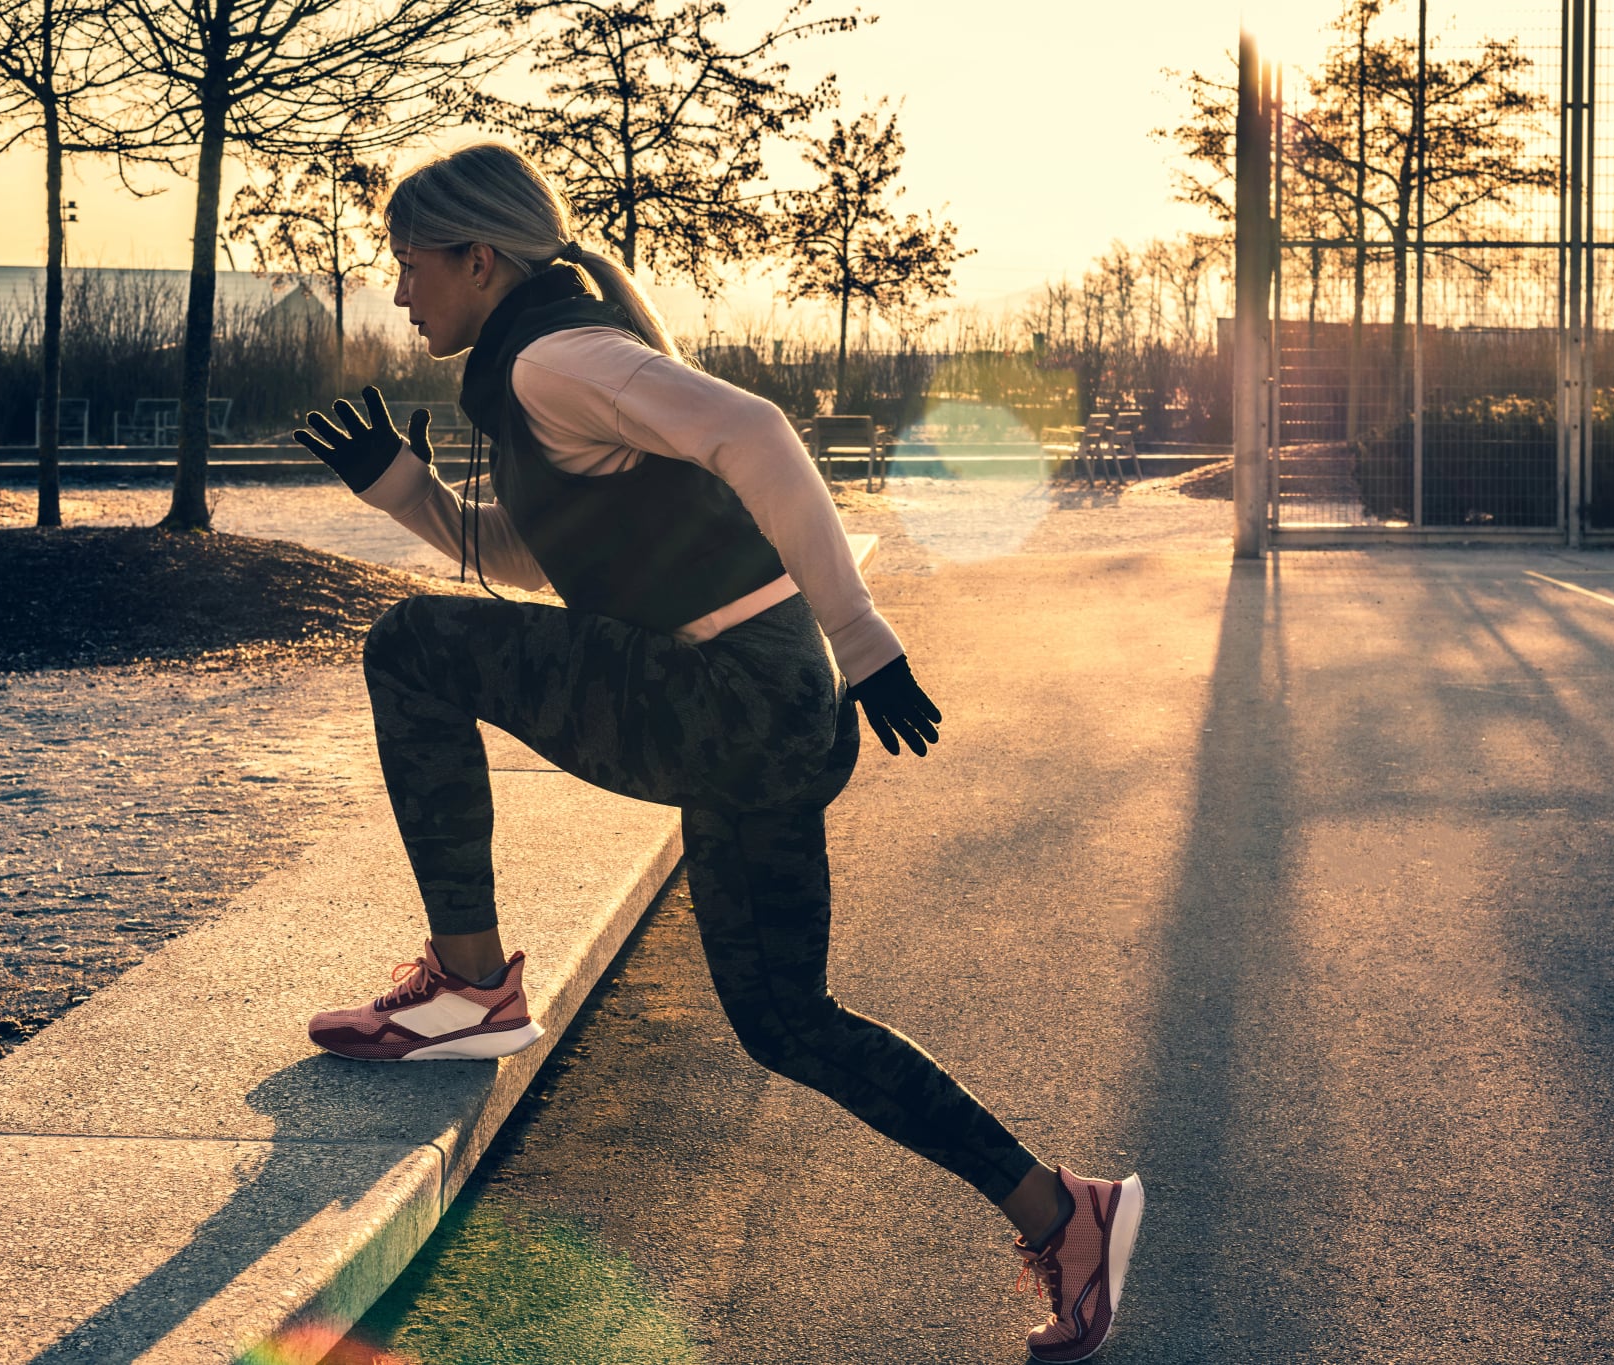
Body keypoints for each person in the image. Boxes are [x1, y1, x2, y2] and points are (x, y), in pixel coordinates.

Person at [291, 142, 1144, 1362]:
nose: (398, 289)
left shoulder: (553, 353)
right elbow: (531, 561)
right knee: (784, 1020)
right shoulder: (547, 359)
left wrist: (866, 637)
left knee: (411, 647)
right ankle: (1063, 1215)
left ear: (479, 260)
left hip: (734, 693)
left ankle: (472, 987)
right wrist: (405, 492)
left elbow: (758, 432)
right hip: (763, 707)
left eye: (410, 264)